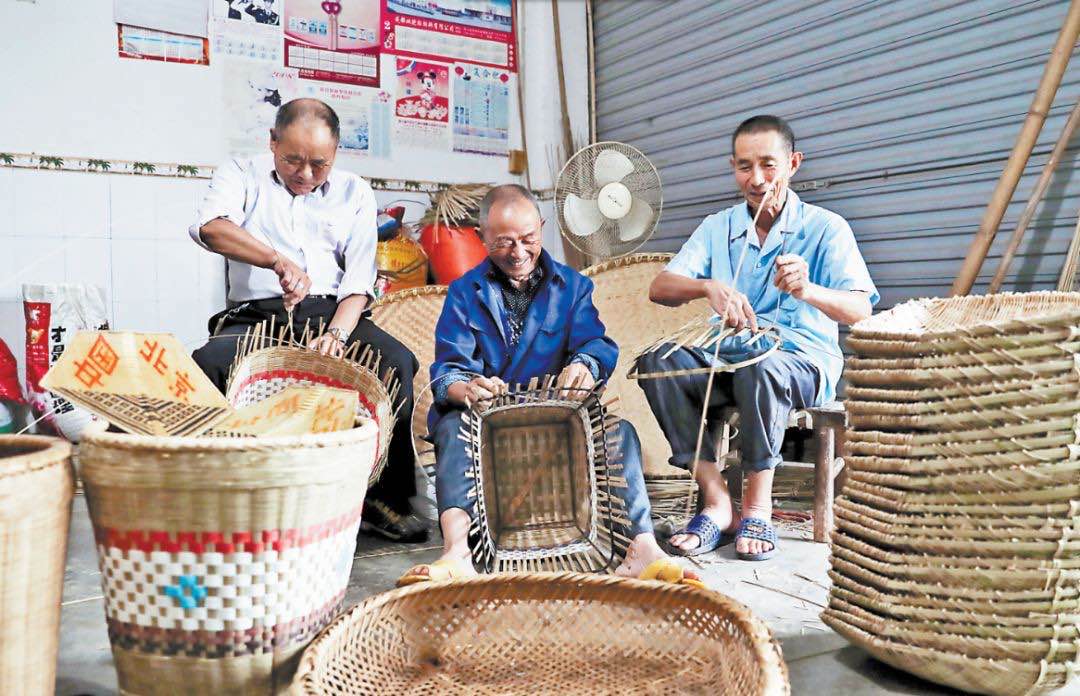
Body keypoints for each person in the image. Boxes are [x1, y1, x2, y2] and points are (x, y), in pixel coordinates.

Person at [396, 184, 699, 586]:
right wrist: (466, 388)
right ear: (481, 236)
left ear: (541, 228)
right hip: (487, 426)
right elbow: (447, 371)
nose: (518, 252)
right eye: (503, 242)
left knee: (620, 433)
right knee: (452, 427)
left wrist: (586, 364)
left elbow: (596, 342)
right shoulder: (463, 293)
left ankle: (642, 547)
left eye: (528, 239)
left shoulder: (573, 288)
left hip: (558, 421)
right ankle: (456, 552)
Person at [638, 115, 878, 561]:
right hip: (726, 357)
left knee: (761, 366)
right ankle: (716, 500)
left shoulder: (826, 228)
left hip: (799, 363)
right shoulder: (719, 227)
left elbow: (861, 309)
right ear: (733, 167)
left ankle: (757, 508)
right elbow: (660, 287)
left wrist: (808, 290)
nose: (757, 179)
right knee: (658, 362)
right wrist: (706, 286)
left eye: (768, 165)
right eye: (744, 167)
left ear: (793, 163)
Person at [189, 98, 428, 543]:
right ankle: (228, 497)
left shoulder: (354, 191)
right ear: (272, 143)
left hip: (332, 313)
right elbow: (210, 228)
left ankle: (382, 498)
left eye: (319, 164)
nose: (305, 173)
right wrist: (275, 260)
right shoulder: (240, 174)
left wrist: (337, 333)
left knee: (396, 362)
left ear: (335, 154)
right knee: (209, 363)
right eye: (292, 160)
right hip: (258, 315)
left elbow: (358, 281)